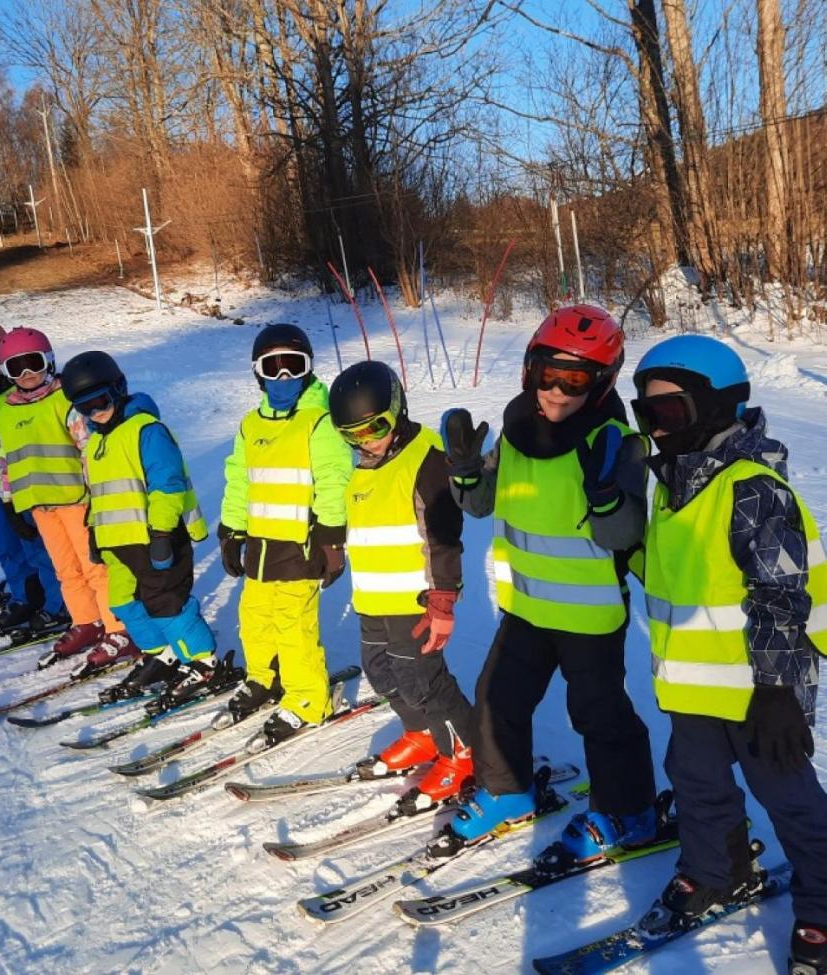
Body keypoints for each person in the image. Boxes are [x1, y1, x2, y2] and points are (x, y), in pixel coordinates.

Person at [630, 334, 827, 973]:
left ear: (716, 407)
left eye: (669, 412)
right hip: (692, 687)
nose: (655, 427)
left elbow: (782, 596)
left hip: (761, 694)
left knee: (789, 797)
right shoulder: (672, 482)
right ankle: (718, 870)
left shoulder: (752, 488)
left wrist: (780, 690)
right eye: (645, 413)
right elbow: (674, 575)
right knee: (697, 785)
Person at [441, 304, 659, 858]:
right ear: (528, 370)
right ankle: (509, 793)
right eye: (548, 374)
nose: (558, 392)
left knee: (599, 714)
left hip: (589, 616)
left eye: (576, 380)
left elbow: (626, 534)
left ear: (603, 383)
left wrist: (608, 495)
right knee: (496, 700)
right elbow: (482, 503)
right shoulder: (515, 431)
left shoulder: (617, 443)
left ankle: (628, 810)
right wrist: (466, 472)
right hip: (526, 608)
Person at [329, 361, 475, 813]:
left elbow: (444, 535)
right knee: (382, 674)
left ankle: (464, 753)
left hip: (417, 599)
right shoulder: (363, 467)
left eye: (375, 426)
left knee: (424, 681)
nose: (366, 439)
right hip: (373, 600)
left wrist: (444, 597)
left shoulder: (426, 459)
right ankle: (421, 736)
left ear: (397, 409)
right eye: (352, 434)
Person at [59, 350, 226, 701]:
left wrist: (162, 534)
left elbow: (167, 486)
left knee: (166, 603)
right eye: (84, 408)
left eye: (100, 401)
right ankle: (162, 655)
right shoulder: (97, 442)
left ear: (119, 389)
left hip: (153, 538)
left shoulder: (147, 430)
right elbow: (100, 495)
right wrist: (94, 532)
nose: (95, 412)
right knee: (122, 603)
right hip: (118, 543)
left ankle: (203, 662)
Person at [216, 323, 353, 744]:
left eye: (293, 366)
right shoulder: (250, 424)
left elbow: (334, 480)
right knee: (254, 617)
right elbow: (239, 480)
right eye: (271, 367)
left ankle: (309, 698)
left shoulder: (320, 423)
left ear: (308, 370)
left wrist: (331, 540)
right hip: (259, 546)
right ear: (257, 373)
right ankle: (265, 677)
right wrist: (231, 531)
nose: (282, 378)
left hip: (301, 544)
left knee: (295, 627)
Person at [0, 327, 133, 671]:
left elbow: (87, 447)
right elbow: (5, 458)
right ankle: (87, 620)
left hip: (75, 500)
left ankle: (118, 627)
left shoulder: (64, 402)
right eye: (17, 368)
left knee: (95, 568)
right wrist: (8, 500)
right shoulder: (6, 410)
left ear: (50, 361)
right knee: (65, 570)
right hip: (39, 505)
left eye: (33, 363)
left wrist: (97, 495)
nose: (27, 374)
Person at [0, 320, 67, 639]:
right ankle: (25, 597)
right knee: (6, 547)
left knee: (38, 548)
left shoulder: (20, 390)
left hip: (29, 484)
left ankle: (58, 601)